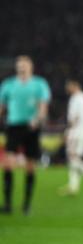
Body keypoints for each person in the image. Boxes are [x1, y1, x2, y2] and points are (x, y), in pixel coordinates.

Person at [0, 55, 50, 214]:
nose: (22, 68)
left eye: (24, 65)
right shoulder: (8, 85)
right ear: (16, 67)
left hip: (31, 127)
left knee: (30, 166)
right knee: (8, 163)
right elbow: (1, 106)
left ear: (30, 67)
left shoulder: (39, 84)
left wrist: (38, 119)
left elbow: (43, 105)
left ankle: (26, 204)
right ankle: (7, 204)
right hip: (14, 126)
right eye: (19, 65)